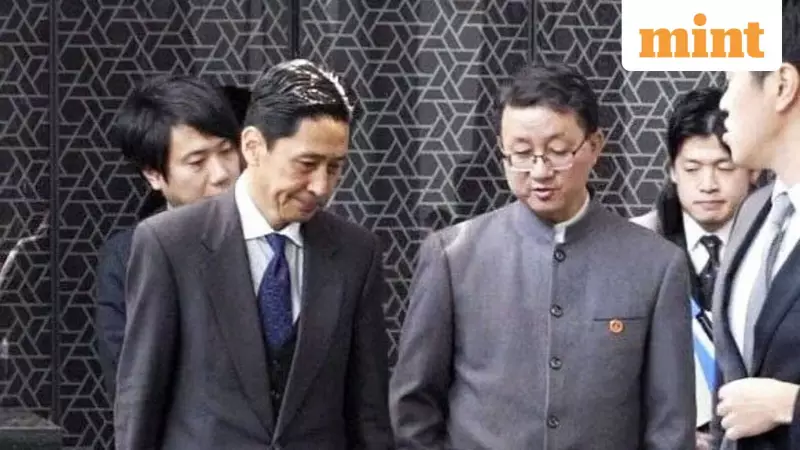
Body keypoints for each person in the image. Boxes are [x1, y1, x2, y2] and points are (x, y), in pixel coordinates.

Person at [389, 62, 695, 450]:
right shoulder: (453, 256)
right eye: (520, 153)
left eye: (557, 151)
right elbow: (414, 407)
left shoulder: (656, 265)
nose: (539, 171)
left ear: (595, 146)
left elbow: (671, 426)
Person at [114, 59, 393, 450]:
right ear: (253, 147)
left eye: (334, 167)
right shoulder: (170, 244)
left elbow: (368, 412)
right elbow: (141, 399)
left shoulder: (356, 253)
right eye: (307, 164)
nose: (320, 186)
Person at [95, 76, 245, 401]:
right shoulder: (128, 256)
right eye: (197, 162)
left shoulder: (274, 235)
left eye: (227, 151)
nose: (221, 174)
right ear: (154, 174)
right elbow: (130, 384)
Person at [631, 86, 758, 450]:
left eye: (724, 167)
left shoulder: (778, 244)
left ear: (752, 169)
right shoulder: (636, 246)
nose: (708, 185)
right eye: (692, 168)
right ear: (672, 170)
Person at [712, 2, 800, 448]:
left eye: (731, 79)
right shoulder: (753, 212)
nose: (723, 103)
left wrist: (792, 406)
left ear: (782, 86)